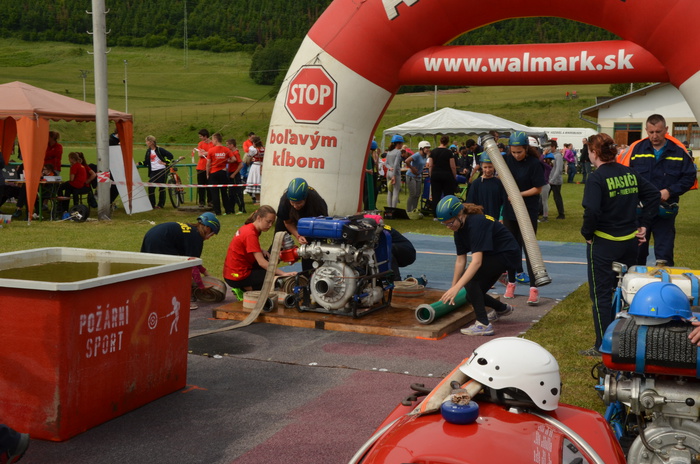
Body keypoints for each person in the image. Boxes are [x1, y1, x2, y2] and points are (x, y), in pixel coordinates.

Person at [580, 133, 660, 356]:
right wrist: (644, 224)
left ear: (594, 152)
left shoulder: (596, 178)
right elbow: (653, 195)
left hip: (604, 243)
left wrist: (587, 233)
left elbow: (592, 210)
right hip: (629, 243)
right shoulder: (629, 172)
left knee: (601, 296)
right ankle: (628, 339)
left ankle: (604, 345)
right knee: (627, 291)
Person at [618, 114, 697, 266]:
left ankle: (663, 280)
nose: (654, 136)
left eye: (658, 132)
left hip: (664, 212)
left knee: (664, 257)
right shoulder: (635, 150)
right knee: (636, 254)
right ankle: (636, 280)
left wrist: (670, 191)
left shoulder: (679, 151)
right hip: (639, 212)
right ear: (646, 130)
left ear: (666, 129)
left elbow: (689, 177)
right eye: (651, 132)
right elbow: (624, 176)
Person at [437, 196, 518, 336]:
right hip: (493, 254)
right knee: (472, 295)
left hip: (507, 253)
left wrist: (457, 287)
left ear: (460, 215)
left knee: (470, 280)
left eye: (450, 222)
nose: (449, 227)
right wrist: (452, 288)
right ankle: (502, 308)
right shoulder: (458, 230)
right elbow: (460, 260)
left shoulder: (476, 223)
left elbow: (477, 262)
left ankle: (483, 324)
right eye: (445, 224)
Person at [141, 212, 221, 310]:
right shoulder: (196, 238)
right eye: (212, 235)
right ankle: (183, 301)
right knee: (178, 273)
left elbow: (193, 260)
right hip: (161, 240)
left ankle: (151, 297)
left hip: (152, 234)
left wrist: (207, 274)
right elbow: (192, 266)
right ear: (208, 228)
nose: (209, 238)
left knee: (153, 270)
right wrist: (201, 286)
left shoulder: (192, 231)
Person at [501, 132, 546, 304]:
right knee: (511, 248)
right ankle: (511, 283)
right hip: (510, 212)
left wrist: (518, 195)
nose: (516, 155)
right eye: (513, 152)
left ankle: (533, 289)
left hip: (528, 211)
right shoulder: (506, 160)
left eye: (519, 152)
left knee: (529, 250)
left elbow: (538, 188)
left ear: (526, 148)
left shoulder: (534, 164)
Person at [223, 205, 296, 291]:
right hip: (236, 276)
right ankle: (244, 289)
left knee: (268, 261)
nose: (270, 225)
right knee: (276, 279)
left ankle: (247, 286)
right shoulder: (250, 234)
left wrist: (260, 250)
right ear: (259, 218)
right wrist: (283, 274)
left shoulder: (249, 227)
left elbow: (243, 245)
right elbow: (262, 263)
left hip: (231, 272)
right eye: (268, 222)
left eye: (272, 222)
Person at [274, 178, 328, 271]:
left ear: (305, 198)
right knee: (277, 241)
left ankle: (308, 272)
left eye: (299, 203)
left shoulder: (317, 202)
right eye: (292, 202)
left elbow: (323, 225)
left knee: (311, 247)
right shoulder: (285, 201)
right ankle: (269, 270)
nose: (295, 206)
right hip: (289, 217)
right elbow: (288, 223)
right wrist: (298, 235)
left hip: (311, 220)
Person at [466, 151, 505, 220]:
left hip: (496, 219)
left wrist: (501, 217)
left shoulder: (498, 183)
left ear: (494, 166)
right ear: (481, 167)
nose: (487, 170)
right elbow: (470, 204)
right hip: (481, 219)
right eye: (485, 167)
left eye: (490, 167)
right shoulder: (476, 184)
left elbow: (503, 202)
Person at [206, 132, 235, 216]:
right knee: (224, 192)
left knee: (215, 193)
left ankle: (217, 211)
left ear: (216, 140)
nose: (212, 141)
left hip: (214, 173)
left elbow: (208, 163)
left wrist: (207, 173)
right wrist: (226, 161)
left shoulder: (211, 150)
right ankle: (228, 210)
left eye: (212, 140)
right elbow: (233, 159)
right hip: (223, 172)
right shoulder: (226, 149)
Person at [428, 135, 457, 216]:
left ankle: (435, 214)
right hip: (447, 175)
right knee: (448, 195)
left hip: (436, 174)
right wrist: (454, 176)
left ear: (440, 141)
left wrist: (431, 174)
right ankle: (448, 213)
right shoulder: (449, 152)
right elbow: (453, 166)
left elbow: (430, 165)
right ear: (447, 143)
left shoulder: (433, 152)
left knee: (435, 195)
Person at [143, 135, 173, 209]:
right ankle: (152, 205)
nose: (146, 143)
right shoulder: (148, 151)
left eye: (147, 141)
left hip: (161, 170)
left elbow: (170, 155)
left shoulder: (160, 149)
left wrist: (166, 162)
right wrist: (139, 163)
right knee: (151, 187)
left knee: (161, 188)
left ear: (151, 142)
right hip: (153, 171)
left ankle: (160, 204)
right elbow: (146, 161)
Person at [57, 151, 89, 216]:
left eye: (69, 158)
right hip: (81, 184)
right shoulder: (81, 166)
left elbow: (72, 179)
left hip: (75, 184)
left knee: (59, 187)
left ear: (72, 159)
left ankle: (61, 204)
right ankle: (66, 208)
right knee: (67, 191)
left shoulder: (74, 166)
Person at [405, 140, 429, 213]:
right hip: (411, 176)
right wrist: (412, 168)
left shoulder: (425, 156)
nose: (428, 149)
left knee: (418, 194)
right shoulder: (417, 155)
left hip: (418, 176)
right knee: (413, 194)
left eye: (428, 148)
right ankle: (408, 210)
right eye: (426, 148)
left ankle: (414, 209)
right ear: (421, 148)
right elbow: (407, 161)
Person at [192, 129, 214, 208]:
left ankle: (210, 201)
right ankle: (201, 201)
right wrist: (208, 153)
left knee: (209, 185)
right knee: (201, 185)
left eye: (201, 136)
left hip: (210, 167)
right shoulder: (200, 144)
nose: (200, 138)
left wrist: (206, 152)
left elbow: (213, 153)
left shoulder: (213, 144)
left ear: (205, 136)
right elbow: (200, 154)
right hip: (201, 167)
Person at [226, 138, 246, 215]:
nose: (227, 147)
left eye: (228, 145)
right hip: (230, 173)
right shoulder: (231, 153)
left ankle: (242, 209)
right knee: (231, 193)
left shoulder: (236, 153)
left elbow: (241, 165)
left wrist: (234, 174)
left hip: (234, 174)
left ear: (232, 145)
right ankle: (231, 209)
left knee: (237, 192)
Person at [547, 139, 565, 219]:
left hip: (556, 181)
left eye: (549, 146)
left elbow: (559, 169)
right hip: (548, 180)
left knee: (557, 197)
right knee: (544, 196)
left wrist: (553, 179)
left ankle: (561, 214)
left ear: (553, 147)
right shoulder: (549, 154)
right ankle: (540, 211)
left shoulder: (558, 156)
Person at [385, 135, 404, 208]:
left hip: (389, 172)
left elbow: (386, 163)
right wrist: (394, 175)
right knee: (395, 192)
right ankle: (393, 209)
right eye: (401, 143)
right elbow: (396, 164)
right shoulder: (398, 152)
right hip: (395, 173)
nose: (402, 145)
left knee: (389, 191)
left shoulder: (389, 152)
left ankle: (389, 208)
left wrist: (390, 168)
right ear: (398, 143)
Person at [244, 135, 264, 204]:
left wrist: (250, 159)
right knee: (260, 181)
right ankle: (261, 199)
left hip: (256, 166)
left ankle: (258, 200)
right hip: (262, 165)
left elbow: (248, 156)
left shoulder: (254, 150)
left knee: (256, 181)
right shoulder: (264, 149)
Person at [538, 153, 554, 223]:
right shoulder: (547, 166)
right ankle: (544, 216)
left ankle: (545, 217)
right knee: (543, 201)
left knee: (544, 202)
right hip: (545, 185)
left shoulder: (547, 166)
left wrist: (543, 154)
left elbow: (540, 160)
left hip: (545, 185)